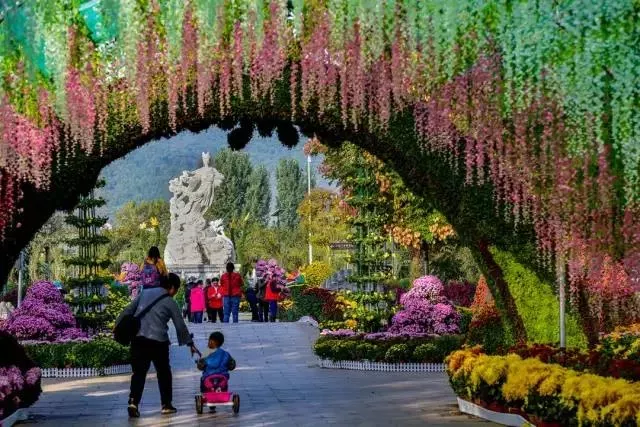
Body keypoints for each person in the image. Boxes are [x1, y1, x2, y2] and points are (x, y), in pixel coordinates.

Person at [116, 273, 200, 418]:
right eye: (176, 290)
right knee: (164, 373)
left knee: (139, 373)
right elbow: (180, 325)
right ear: (172, 287)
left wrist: (117, 325)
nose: (175, 293)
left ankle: (133, 402)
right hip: (158, 342)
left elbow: (128, 310)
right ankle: (166, 405)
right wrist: (189, 343)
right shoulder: (170, 302)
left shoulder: (144, 293)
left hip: (138, 340)